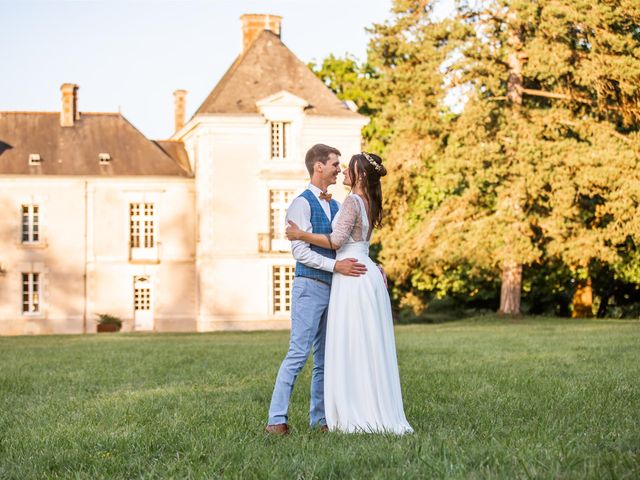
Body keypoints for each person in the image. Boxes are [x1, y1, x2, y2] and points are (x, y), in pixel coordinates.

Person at [286, 152, 413, 434]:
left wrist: (301, 235)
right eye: (340, 167)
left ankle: (354, 411)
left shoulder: (353, 202)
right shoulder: (368, 202)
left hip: (350, 276)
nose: (343, 172)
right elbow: (358, 242)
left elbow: (336, 241)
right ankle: (370, 405)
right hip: (365, 270)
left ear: (361, 175)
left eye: (349, 169)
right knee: (366, 344)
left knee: (351, 343)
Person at [266, 144, 367, 435]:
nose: (340, 168)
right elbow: (301, 252)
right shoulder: (301, 203)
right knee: (298, 354)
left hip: (336, 291)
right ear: (319, 166)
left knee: (325, 359)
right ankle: (276, 419)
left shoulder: (337, 206)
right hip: (309, 286)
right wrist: (335, 267)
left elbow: (346, 244)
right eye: (335, 164)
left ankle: (320, 420)